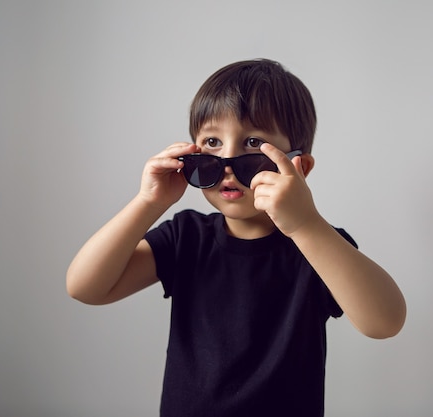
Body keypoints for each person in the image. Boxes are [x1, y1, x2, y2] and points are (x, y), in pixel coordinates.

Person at [66, 58, 406, 417]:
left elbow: (385, 322)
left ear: (298, 167)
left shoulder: (317, 247)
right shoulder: (187, 237)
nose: (227, 161)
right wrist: (149, 202)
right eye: (212, 141)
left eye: (252, 142)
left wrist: (306, 224)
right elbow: (85, 287)